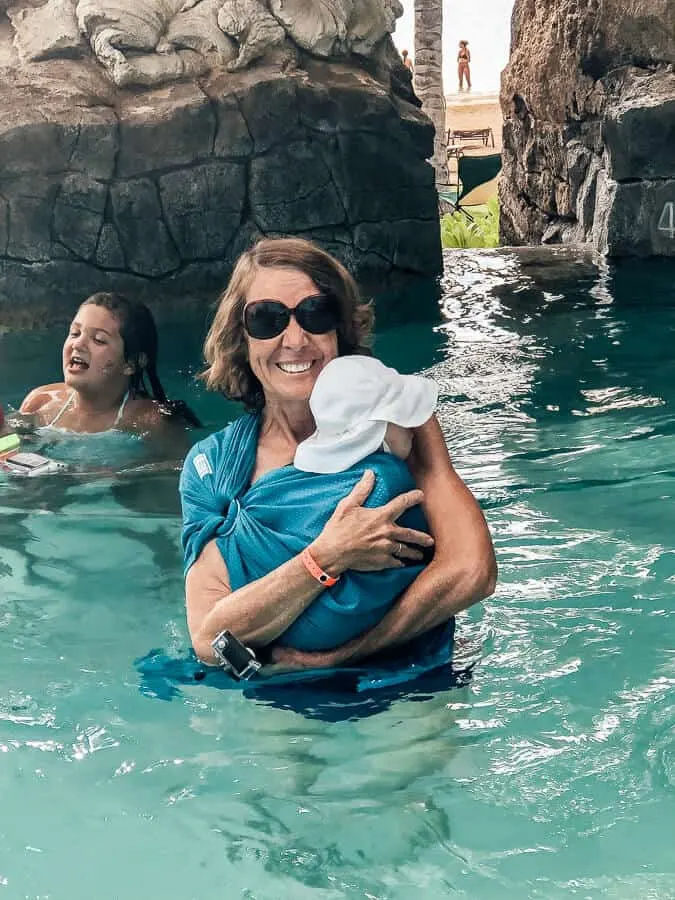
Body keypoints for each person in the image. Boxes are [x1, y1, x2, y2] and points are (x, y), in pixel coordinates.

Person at [180, 236, 496, 672]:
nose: (295, 339)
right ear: (241, 336)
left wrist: (338, 658)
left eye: (315, 314)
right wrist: (327, 557)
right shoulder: (215, 470)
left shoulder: (400, 420)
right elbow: (208, 639)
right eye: (267, 319)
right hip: (278, 695)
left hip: (410, 677)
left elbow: (473, 571)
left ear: (339, 329)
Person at [18, 292, 200, 437]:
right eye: (74, 333)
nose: (78, 344)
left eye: (98, 340)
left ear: (131, 362)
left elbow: (170, 478)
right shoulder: (40, 402)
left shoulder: (152, 423)